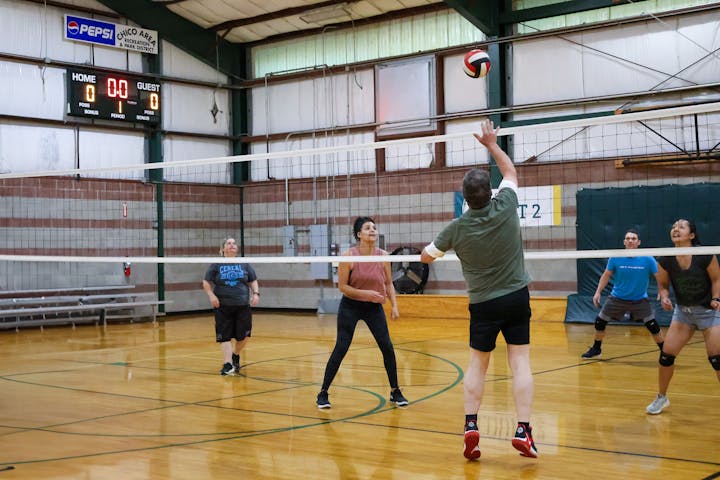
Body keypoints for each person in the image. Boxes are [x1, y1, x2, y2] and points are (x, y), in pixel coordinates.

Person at [421, 119, 537, 460]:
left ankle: (471, 425)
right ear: (490, 192)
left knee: (477, 364)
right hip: (517, 297)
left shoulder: (455, 229)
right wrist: (491, 144)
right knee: (520, 363)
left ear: (464, 199)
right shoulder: (506, 206)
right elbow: (511, 172)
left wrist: (441, 248)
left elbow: (425, 258)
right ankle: (523, 430)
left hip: (483, 304)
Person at [316, 216, 408, 409]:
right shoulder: (349, 256)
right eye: (367, 228)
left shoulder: (383, 256)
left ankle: (395, 391)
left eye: (374, 227)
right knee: (341, 347)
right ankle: (323, 393)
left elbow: (389, 283)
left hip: (373, 308)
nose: (372, 230)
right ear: (359, 234)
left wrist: (395, 306)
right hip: (351, 305)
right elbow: (342, 286)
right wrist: (366, 293)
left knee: (387, 347)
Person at [646, 218, 720, 414]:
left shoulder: (704, 255)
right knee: (666, 357)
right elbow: (662, 286)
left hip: (709, 313)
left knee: (717, 360)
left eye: (681, 227)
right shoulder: (666, 258)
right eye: (673, 227)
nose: (675, 229)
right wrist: (664, 298)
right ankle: (662, 398)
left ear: (692, 235)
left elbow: (717, 279)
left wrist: (717, 298)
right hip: (683, 314)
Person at [581, 229, 665, 359]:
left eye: (633, 238)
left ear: (639, 242)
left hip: (639, 300)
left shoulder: (648, 258)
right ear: (624, 242)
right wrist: (598, 292)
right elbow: (606, 275)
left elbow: (659, 275)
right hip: (617, 298)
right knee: (599, 322)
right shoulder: (616, 257)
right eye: (628, 238)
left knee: (653, 326)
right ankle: (596, 349)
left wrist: (662, 290)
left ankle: (665, 352)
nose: (630, 240)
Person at [202, 237, 260, 376]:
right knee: (225, 336)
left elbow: (253, 280)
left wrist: (256, 293)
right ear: (222, 249)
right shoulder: (217, 264)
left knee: (244, 336)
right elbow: (206, 281)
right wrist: (211, 295)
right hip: (222, 306)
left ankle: (235, 354)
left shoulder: (244, 263)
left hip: (242, 305)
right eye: (228, 243)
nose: (232, 245)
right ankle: (227, 364)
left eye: (234, 243)